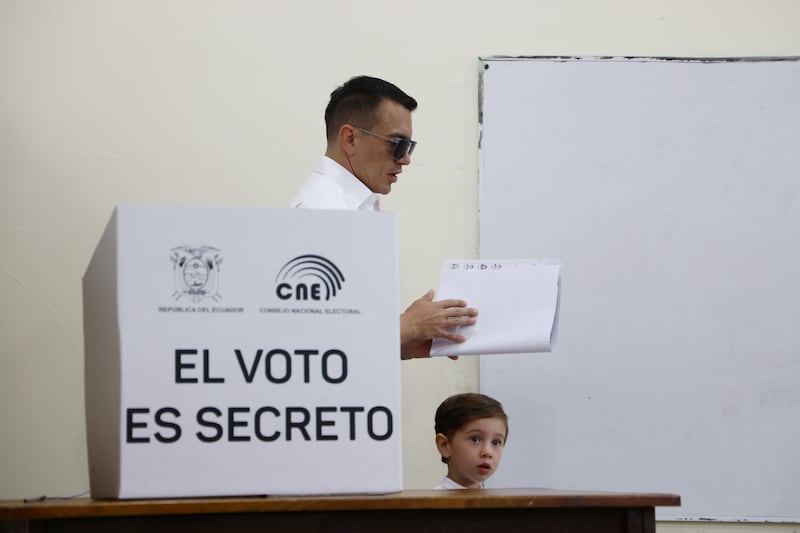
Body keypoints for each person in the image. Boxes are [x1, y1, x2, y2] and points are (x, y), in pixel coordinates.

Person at [291, 75, 477, 359]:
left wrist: (407, 345)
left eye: (409, 147)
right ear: (350, 139)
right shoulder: (323, 212)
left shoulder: (354, 206)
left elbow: (351, 328)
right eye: (397, 144)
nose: (405, 159)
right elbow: (316, 335)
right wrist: (410, 324)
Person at [433, 392, 508, 489]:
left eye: (495, 442)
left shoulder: (497, 501)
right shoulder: (435, 502)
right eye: (475, 439)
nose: (487, 452)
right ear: (445, 446)